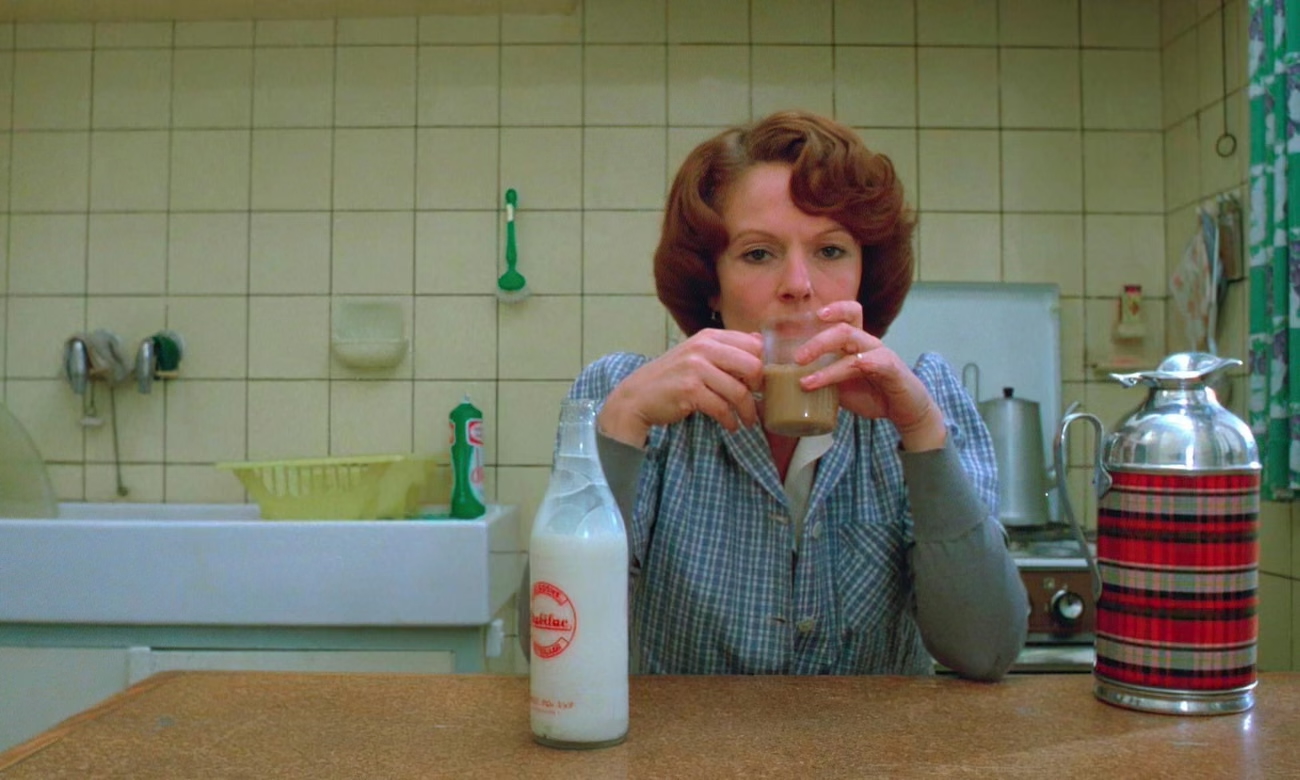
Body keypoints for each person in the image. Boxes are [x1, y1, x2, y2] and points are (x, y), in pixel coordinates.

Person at [562, 110, 1027, 680]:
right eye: (759, 254)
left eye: (830, 251)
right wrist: (623, 425)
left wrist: (922, 433)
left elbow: (985, 652)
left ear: (864, 275)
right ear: (711, 284)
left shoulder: (922, 402)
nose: (799, 286)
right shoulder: (623, 399)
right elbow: (559, 644)